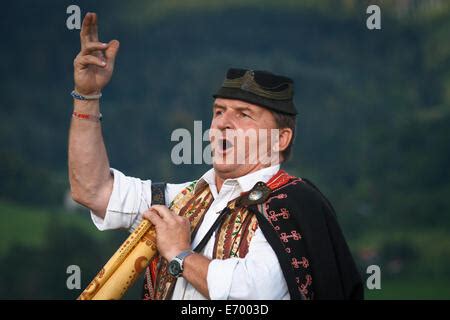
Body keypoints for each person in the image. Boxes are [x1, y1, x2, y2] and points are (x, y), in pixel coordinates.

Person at [69, 12, 363, 300]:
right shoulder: (182, 200)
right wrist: (87, 96)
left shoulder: (294, 206)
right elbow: (92, 190)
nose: (223, 122)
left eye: (244, 114)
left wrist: (180, 254)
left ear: (280, 138)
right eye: (219, 111)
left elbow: (252, 295)